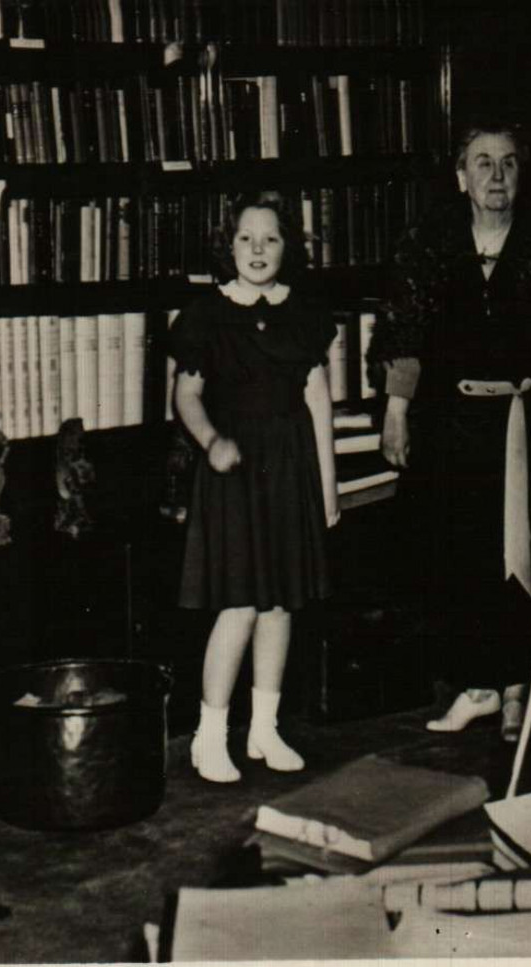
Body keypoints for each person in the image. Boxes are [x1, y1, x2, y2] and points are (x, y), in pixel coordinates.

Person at [370, 121, 531, 741]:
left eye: (507, 164)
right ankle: (477, 686)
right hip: (453, 426)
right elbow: (404, 330)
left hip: (530, 421)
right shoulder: (430, 242)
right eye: (482, 164)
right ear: (460, 177)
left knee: (529, 551)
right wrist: (396, 413)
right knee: (461, 554)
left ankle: (519, 691)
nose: (496, 177)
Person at [170, 191, 340, 783]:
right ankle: (209, 735)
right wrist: (212, 440)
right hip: (235, 471)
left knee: (280, 604)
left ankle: (264, 729)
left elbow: (318, 398)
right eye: (246, 238)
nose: (258, 250)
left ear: (286, 246)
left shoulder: (305, 313)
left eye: (270, 238)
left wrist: (329, 485)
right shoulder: (205, 315)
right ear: (229, 245)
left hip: (290, 467)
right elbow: (186, 395)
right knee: (239, 604)